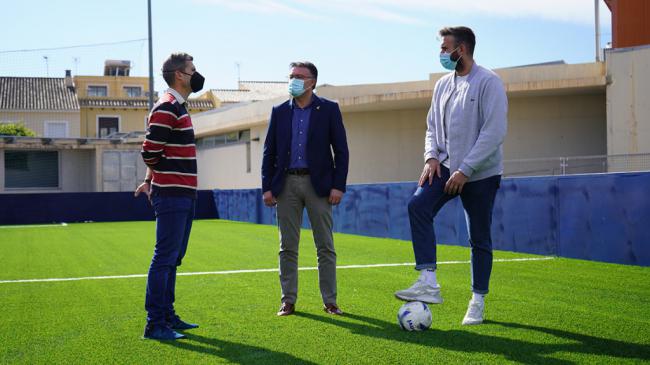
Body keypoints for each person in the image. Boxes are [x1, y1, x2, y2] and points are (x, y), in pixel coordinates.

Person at [394, 26, 508, 325]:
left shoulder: (489, 82)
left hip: (480, 173)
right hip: (444, 167)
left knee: (478, 237)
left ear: (463, 49)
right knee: (417, 205)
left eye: (446, 48)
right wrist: (431, 157)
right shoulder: (442, 85)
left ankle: (478, 300)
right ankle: (429, 282)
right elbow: (431, 126)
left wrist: (465, 169)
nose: (441, 54)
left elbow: (494, 132)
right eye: (441, 48)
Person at [261, 61, 349, 317]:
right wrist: (267, 187)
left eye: (299, 76)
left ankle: (330, 302)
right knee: (287, 246)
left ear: (312, 81)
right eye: (291, 76)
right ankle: (288, 300)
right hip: (286, 184)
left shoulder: (329, 109)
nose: (294, 80)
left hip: (319, 185)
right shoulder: (279, 111)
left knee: (325, 246)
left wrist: (338, 186)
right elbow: (269, 152)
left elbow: (341, 151)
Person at [135, 52, 205, 340]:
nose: (197, 73)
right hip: (173, 194)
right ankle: (155, 324)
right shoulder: (167, 107)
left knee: (173, 257)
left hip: (183, 192)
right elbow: (149, 151)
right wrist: (155, 178)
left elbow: (158, 152)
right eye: (193, 69)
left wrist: (150, 178)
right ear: (180, 74)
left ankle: (167, 316)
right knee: (164, 258)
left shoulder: (179, 107)